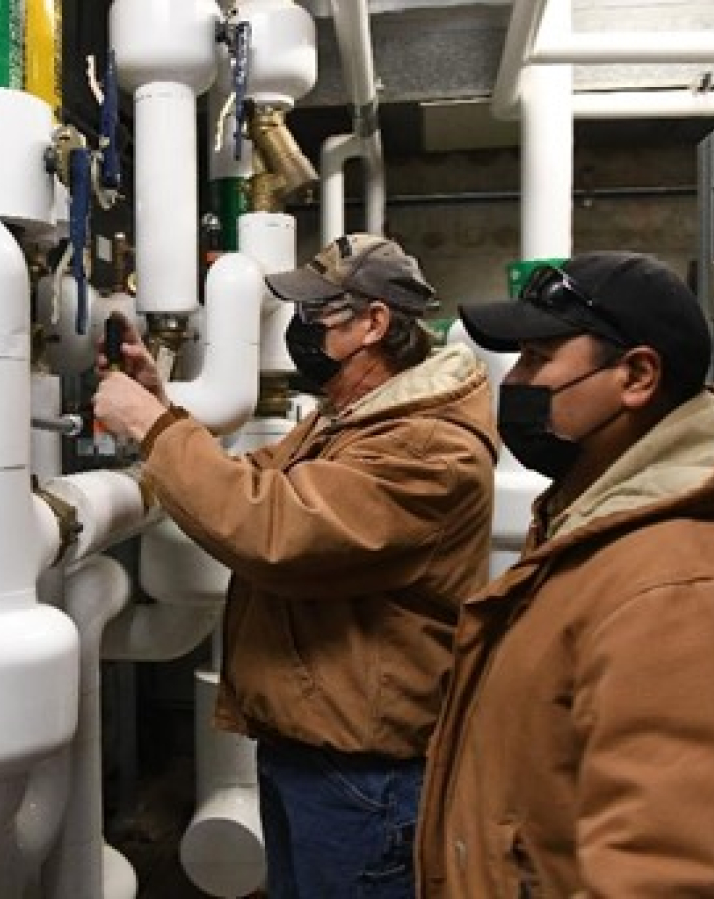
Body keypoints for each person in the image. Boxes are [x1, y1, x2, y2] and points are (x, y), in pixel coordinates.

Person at [417, 251, 714, 897]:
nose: (515, 381)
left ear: (637, 375)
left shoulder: (696, 594)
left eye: (538, 357)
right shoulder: (599, 536)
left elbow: (684, 875)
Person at [93, 233, 498, 898]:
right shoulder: (356, 417)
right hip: (317, 750)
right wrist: (163, 410)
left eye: (318, 314)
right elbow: (255, 479)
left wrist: (153, 430)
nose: (301, 330)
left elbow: (271, 527)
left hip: (366, 774)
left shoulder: (427, 448)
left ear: (373, 324)